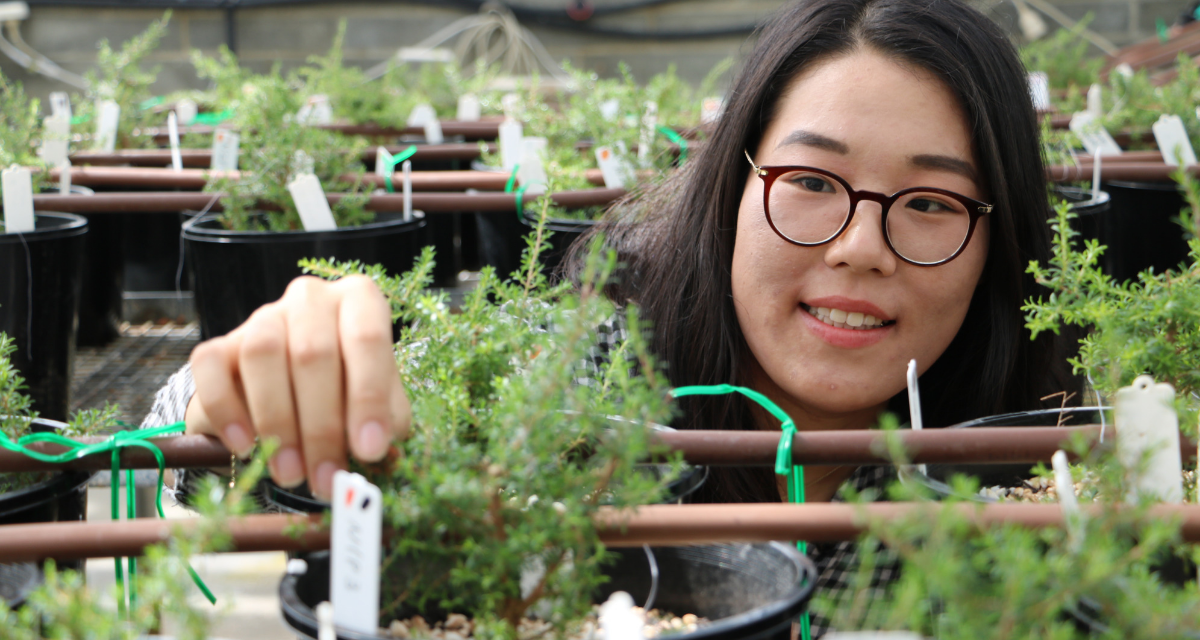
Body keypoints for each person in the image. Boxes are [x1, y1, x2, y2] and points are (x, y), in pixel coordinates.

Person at [143, 0, 1078, 633]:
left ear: (1001, 243)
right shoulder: (584, 370)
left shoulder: (1064, 474)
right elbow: (180, 465)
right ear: (732, 191)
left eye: (931, 203)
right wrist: (265, 391)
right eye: (809, 181)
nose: (860, 247)